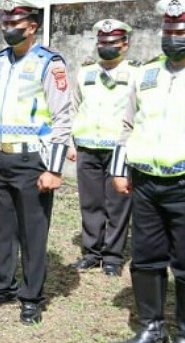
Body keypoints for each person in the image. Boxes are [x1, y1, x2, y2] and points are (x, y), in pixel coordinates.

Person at [110, 0, 185, 343]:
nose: (173, 37)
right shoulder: (146, 72)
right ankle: (151, 327)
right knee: (145, 257)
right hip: (146, 182)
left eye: (182, 30)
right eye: (168, 29)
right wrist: (120, 170)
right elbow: (128, 124)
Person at [0, 0, 72, 325]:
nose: (8, 29)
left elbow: (62, 118)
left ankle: (31, 297)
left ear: (32, 27)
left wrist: (54, 168)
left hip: (32, 161)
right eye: (5, 24)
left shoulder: (49, 63)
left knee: (32, 232)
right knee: (0, 229)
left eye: (15, 24)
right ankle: (2, 288)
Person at [67, 19, 135, 277]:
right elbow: (74, 107)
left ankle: (113, 257)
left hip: (119, 150)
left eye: (112, 43)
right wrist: (71, 143)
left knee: (117, 204)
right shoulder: (85, 73)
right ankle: (91, 253)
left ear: (124, 45)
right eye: (102, 42)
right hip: (87, 147)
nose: (106, 46)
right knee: (90, 203)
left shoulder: (137, 74)